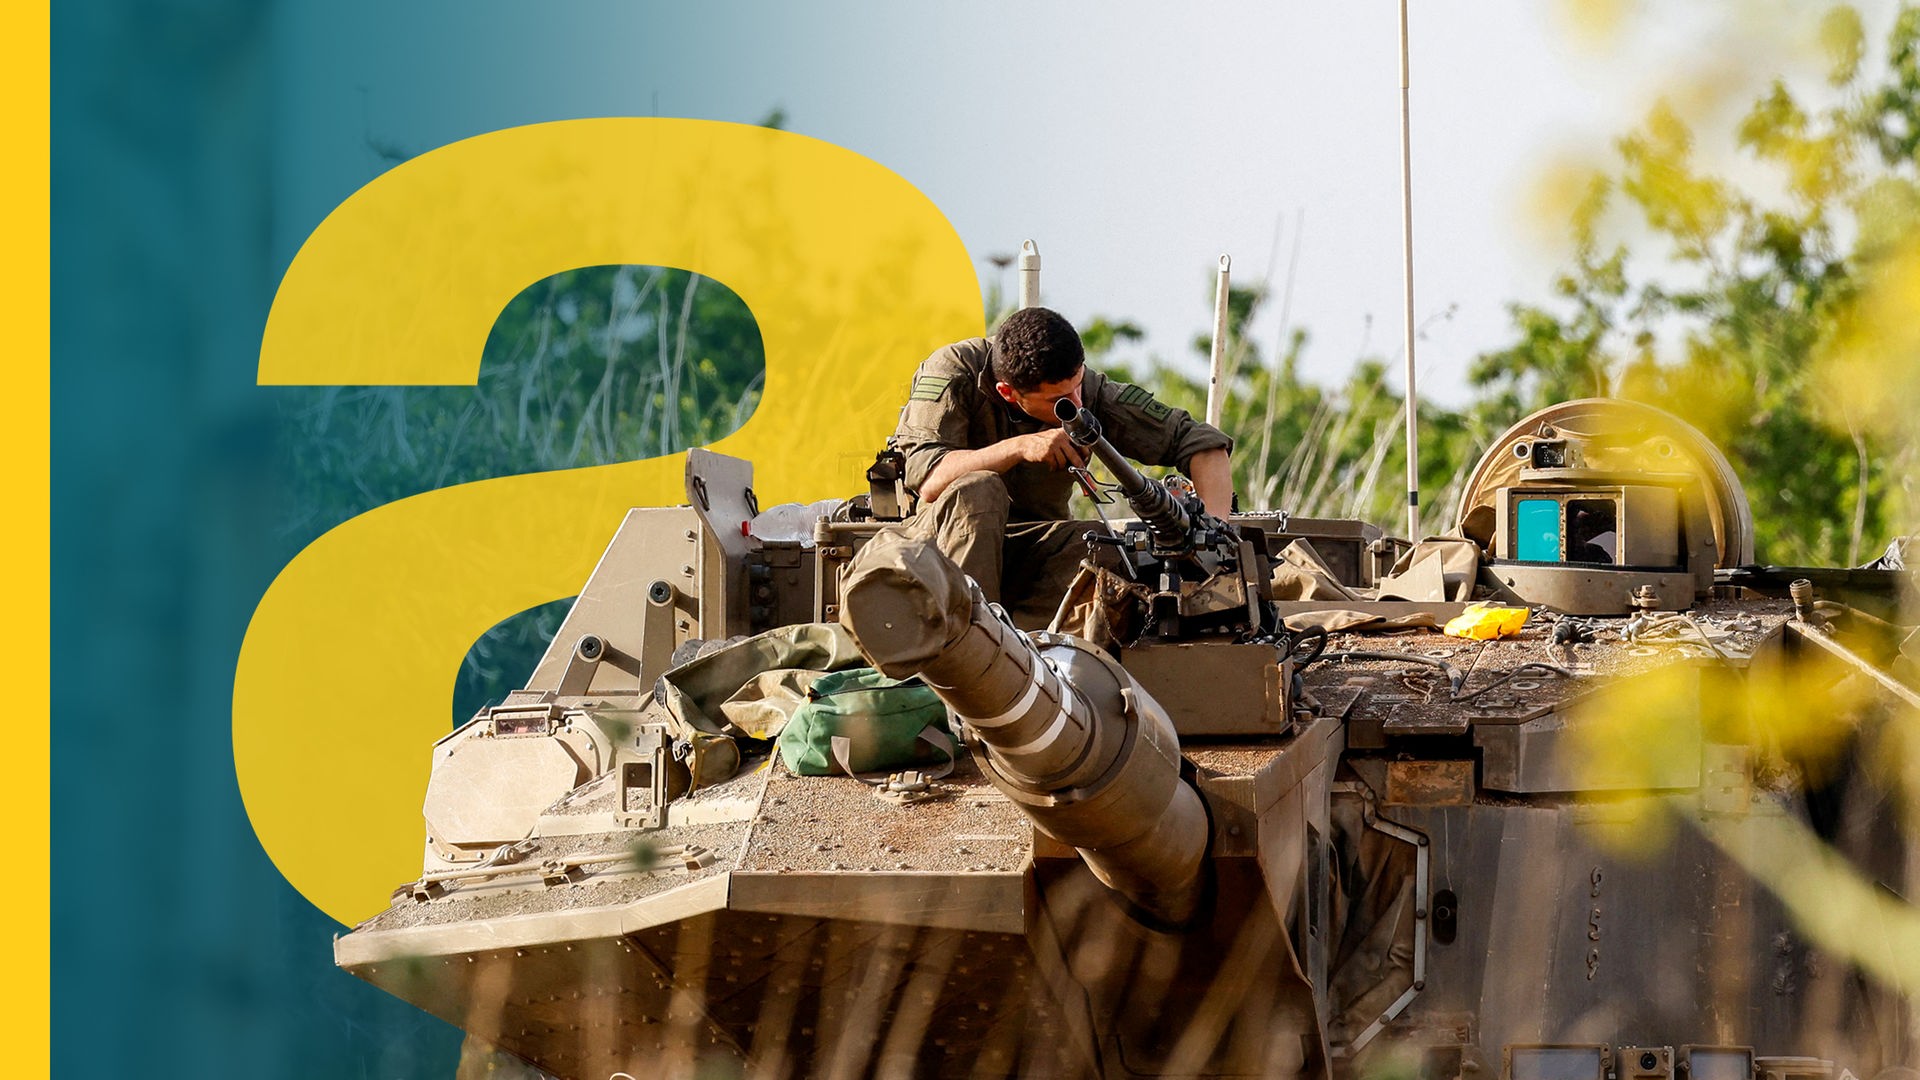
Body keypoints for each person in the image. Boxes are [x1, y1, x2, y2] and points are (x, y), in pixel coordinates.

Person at [886, 306, 1233, 626]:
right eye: (1059, 401)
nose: (1077, 404)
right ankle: (969, 639)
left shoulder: (1085, 392)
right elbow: (929, 477)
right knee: (979, 489)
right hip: (942, 550)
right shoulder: (954, 370)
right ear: (1008, 392)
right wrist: (1021, 447)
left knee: (1115, 554)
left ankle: (1038, 648)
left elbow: (1202, 443)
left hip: (1034, 551)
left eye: (1078, 385)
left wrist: (1213, 537)